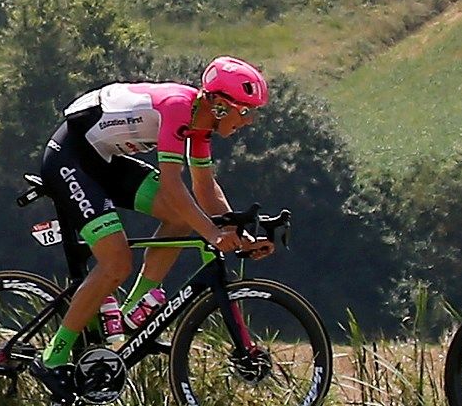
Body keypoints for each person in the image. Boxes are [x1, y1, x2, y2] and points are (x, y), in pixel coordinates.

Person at [28, 59, 277, 382]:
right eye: (244, 111)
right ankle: (52, 357)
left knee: (180, 218)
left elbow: (204, 186)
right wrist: (213, 234)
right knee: (116, 262)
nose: (249, 121)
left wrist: (236, 232)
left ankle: (131, 313)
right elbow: (174, 185)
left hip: (104, 160)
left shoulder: (201, 126)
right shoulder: (178, 108)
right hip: (70, 157)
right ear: (218, 105)